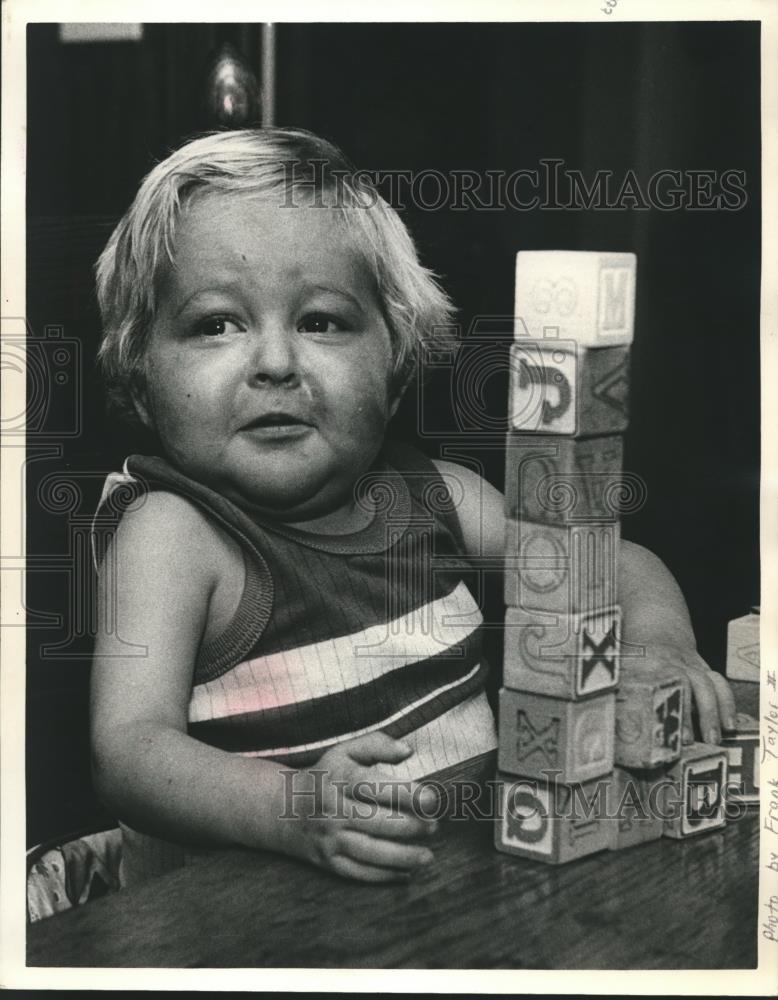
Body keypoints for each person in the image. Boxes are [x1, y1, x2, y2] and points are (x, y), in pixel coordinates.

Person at [90, 127, 735, 888]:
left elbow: (615, 563)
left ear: (396, 367)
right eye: (215, 324)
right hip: (241, 933)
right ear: (138, 378)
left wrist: (658, 644)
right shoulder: (174, 534)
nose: (274, 363)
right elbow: (130, 751)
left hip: (453, 903)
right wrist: (294, 808)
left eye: (320, 321)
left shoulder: (440, 495)